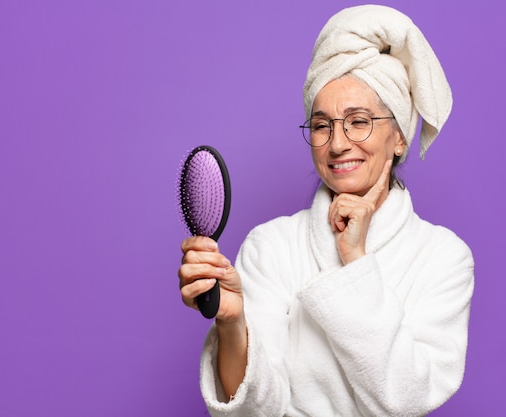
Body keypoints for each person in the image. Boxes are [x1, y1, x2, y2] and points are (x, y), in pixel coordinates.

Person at [178, 5, 474, 417]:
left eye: (358, 122)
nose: (337, 144)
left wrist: (355, 262)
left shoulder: (444, 257)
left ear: (400, 137)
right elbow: (251, 411)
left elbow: (405, 400)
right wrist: (231, 324)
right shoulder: (271, 245)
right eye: (321, 125)